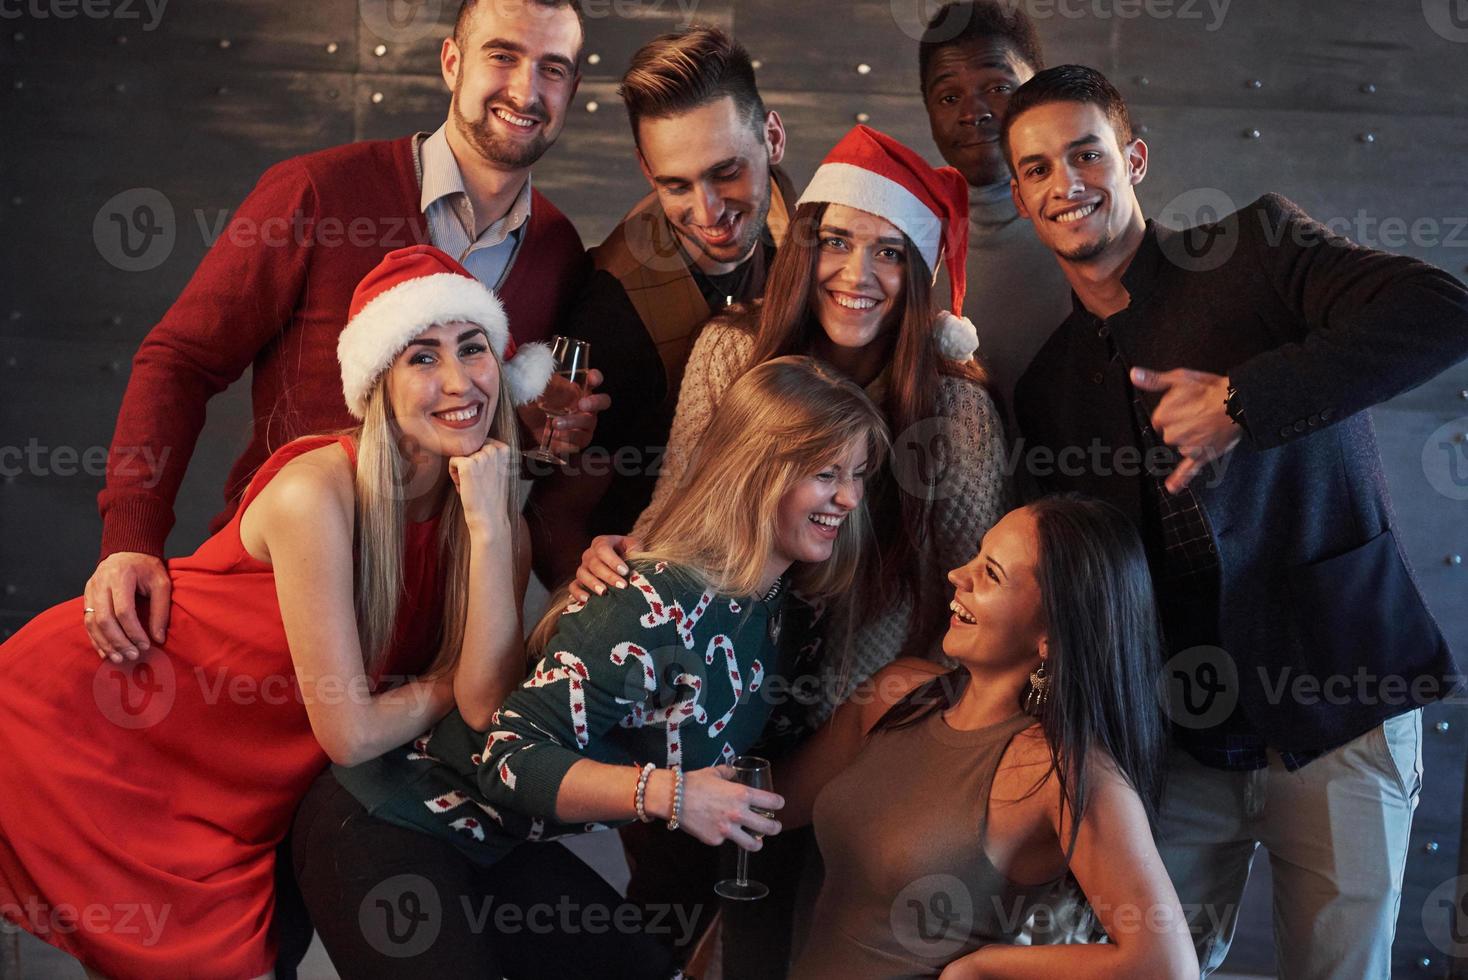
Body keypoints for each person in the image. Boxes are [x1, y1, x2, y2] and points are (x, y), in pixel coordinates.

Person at [1003, 65, 1468, 976]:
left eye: (1086, 154)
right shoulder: (1049, 386)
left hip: (1341, 708)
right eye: (1037, 169)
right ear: (1019, 195)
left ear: (1132, 159)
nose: (1067, 185)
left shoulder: (1255, 248)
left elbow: (1443, 313)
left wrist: (1244, 402)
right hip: (1177, 747)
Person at [0, 244, 547, 978]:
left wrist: (487, 528)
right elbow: (353, 732)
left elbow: (485, 708)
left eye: (472, 348)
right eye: (421, 357)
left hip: (234, 784)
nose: (459, 382)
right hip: (92, 720)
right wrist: (450, 677)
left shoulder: (494, 516)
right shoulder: (315, 491)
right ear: (377, 384)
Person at [289, 355, 890, 978]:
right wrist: (671, 794)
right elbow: (508, 757)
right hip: (389, 817)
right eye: (826, 474)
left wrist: (876, 716)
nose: (848, 497)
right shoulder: (654, 599)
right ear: (756, 473)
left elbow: (751, 795)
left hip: (498, 843)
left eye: (858, 474)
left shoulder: (771, 614)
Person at [574, 124, 1009, 974]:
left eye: (888, 252)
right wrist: (618, 553)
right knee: (658, 929)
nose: (856, 274)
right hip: (702, 706)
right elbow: (677, 515)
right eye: (836, 242)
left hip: (849, 730)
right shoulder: (733, 350)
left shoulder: (955, 415)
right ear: (802, 248)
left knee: (781, 943)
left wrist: (891, 708)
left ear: (918, 275)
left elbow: (967, 602)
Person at [86, 0, 597, 667]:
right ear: (452, 61)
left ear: (573, 89)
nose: (527, 90)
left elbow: (472, 434)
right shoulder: (317, 193)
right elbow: (180, 360)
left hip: (426, 631)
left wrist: (545, 437)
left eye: (552, 69)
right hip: (270, 603)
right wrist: (131, 534)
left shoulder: (558, 249)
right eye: (503, 55)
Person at [784, 496, 1198, 979]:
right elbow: (765, 802)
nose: (958, 575)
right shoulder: (896, 693)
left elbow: (1167, 967)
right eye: (977, 556)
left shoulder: (1058, 769)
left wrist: (981, 969)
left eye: (992, 573)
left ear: (1052, 633)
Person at [530, 25, 798, 588]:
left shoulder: (807, 232)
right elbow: (557, 516)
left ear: (772, 138)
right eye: (676, 185)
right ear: (646, 170)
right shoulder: (615, 314)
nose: (708, 211)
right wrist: (596, 622)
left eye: (727, 172)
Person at [919, 0, 1071, 429]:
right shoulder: (903, 239)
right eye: (950, 96)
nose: (973, 113)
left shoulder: (1086, 228)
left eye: (999, 88)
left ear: (1036, 89)